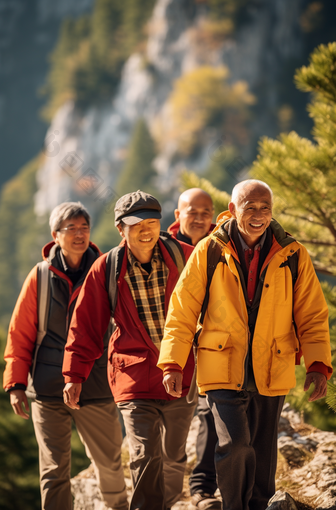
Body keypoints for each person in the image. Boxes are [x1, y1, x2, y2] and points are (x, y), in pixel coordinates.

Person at [158, 180, 332, 510]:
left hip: (272, 364)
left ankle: (259, 504)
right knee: (235, 443)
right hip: (221, 365)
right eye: (250, 208)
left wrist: (318, 364)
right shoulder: (208, 250)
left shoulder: (292, 254)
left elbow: (311, 314)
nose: (258, 215)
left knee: (263, 449)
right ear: (233, 210)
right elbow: (182, 310)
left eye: (265, 208)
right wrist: (172, 363)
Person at [62, 191, 196, 510]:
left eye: (152, 221)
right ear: (121, 228)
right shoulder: (106, 268)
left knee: (174, 455)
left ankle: (168, 504)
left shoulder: (187, 256)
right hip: (133, 376)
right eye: (136, 224)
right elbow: (86, 326)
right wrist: (73, 375)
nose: (146, 229)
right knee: (144, 455)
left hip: (182, 373)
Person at [3, 202, 128, 510]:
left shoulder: (106, 270)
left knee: (109, 463)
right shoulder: (41, 277)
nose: (79, 235)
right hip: (48, 387)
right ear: (55, 235)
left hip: (96, 384)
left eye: (84, 228)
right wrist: (16, 384)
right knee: (53, 470)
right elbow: (21, 332)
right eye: (70, 229)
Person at [168, 188, 221, 510]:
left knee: (210, 413)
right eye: (192, 211)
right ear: (178, 215)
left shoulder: (224, 247)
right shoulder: (160, 248)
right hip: (172, 346)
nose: (200, 218)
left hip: (213, 347)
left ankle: (202, 488)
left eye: (206, 211)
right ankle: (165, 490)